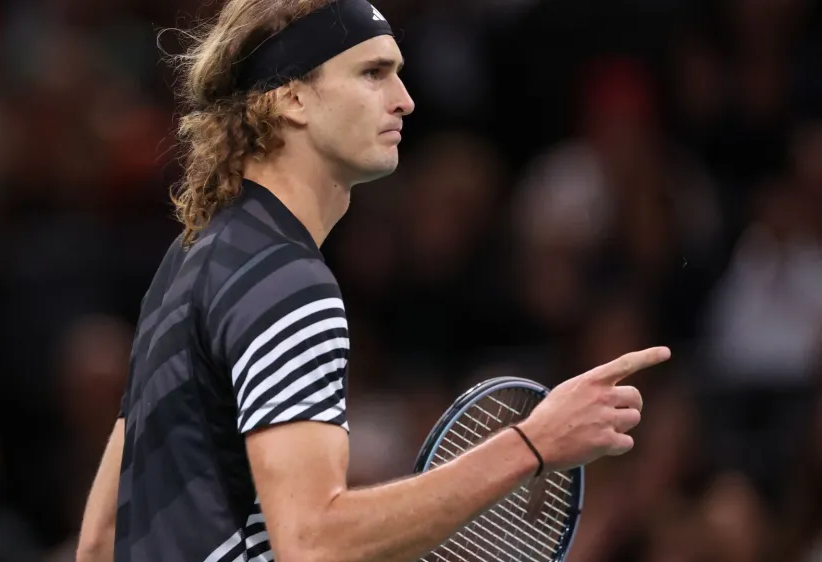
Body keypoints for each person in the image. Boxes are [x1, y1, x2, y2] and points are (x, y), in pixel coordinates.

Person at [74, 0, 672, 561]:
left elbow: (101, 542)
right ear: (292, 100)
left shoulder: (189, 261)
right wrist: (535, 444)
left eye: (399, 73)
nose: (405, 99)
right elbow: (313, 540)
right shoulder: (287, 283)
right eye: (373, 73)